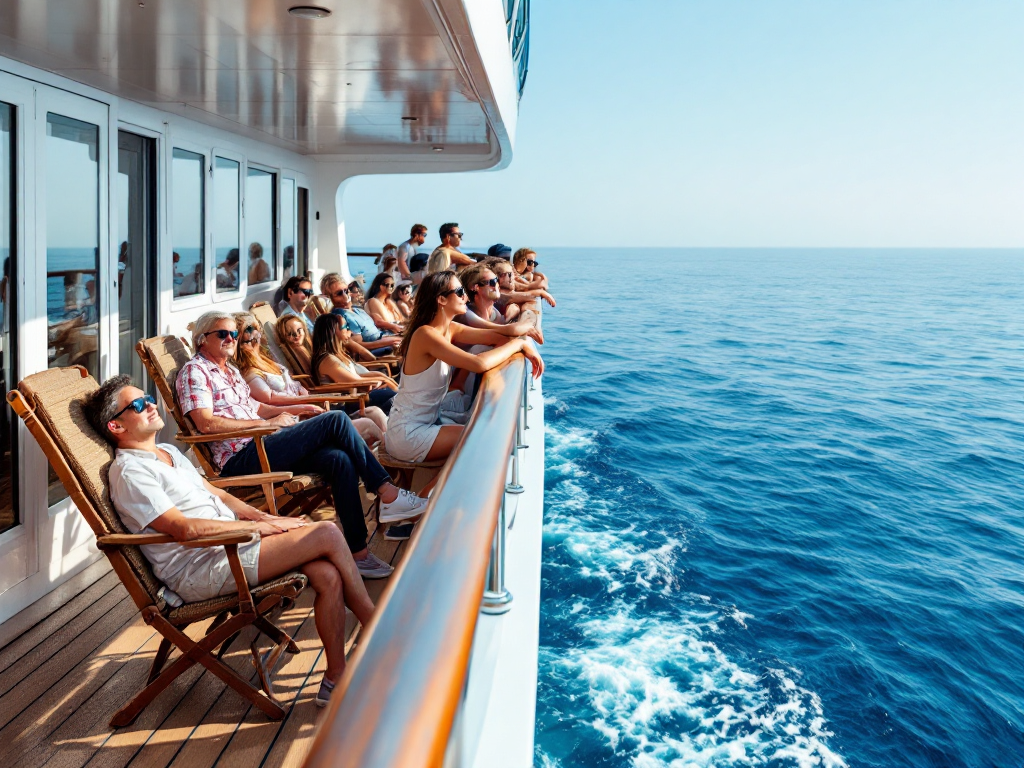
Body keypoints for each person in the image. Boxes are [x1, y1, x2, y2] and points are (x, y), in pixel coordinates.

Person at [82, 374, 375, 707]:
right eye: (137, 405)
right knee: (326, 532)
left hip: (231, 547)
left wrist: (263, 518)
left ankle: (335, 677)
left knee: (327, 573)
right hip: (200, 569)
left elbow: (217, 493)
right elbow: (183, 529)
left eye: (148, 398)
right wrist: (254, 531)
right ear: (116, 427)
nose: (149, 404)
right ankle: (378, 628)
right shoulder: (130, 473)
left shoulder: (166, 452)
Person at [175, 311, 428, 579]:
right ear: (202, 340)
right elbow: (205, 423)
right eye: (222, 334)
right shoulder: (195, 371)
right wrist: (265, 426)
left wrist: (300, 406)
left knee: (338, 459)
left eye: (233, 334)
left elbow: (255, 406)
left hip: (264, 443)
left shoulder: (231, 371)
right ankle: (387, 492)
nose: (231, 338)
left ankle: (358, 554)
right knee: (336, 420)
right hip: (243, 457)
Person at [387, 271, 543, 468]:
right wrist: (518, 346)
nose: (466, 297)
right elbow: (478, 364)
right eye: (460, 292)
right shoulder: (425, 335)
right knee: (483, 437)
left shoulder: (449, 329)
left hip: (428, 422)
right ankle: (426, 497)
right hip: (408, 433)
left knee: (484, 431)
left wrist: (524, 336)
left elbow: (499, 333)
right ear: (441, 299)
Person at [235, 313, 385, 446]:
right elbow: (269, 400)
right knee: (367, 424)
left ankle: (387, 462)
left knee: (374, 413)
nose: (255, 343)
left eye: (257, 337)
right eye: (247, 341)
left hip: (307, 407)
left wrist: (303, 394)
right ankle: (390, 463)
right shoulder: (248, 372)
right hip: (298, 417)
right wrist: (305, 405)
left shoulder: (266, 362)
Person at [311, 313, 398, 415]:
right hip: (349, 402)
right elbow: (353, 381)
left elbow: (357, 376)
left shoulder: (338, 355)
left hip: (358, 396)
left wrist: (384, 378)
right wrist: (382, 380)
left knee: (398, 396)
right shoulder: (327, 361)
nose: (350, 331)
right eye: (346, 327)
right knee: (395, 398)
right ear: (333, 331)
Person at [320, 273, 401, 355]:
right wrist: (391, 341)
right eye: (339, 294)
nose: (346, 296)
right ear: (329, 298)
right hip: (378, 350)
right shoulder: (341, 317)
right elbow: (359, 346)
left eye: (346, 291)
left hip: (384, 339)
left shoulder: (357, 310)